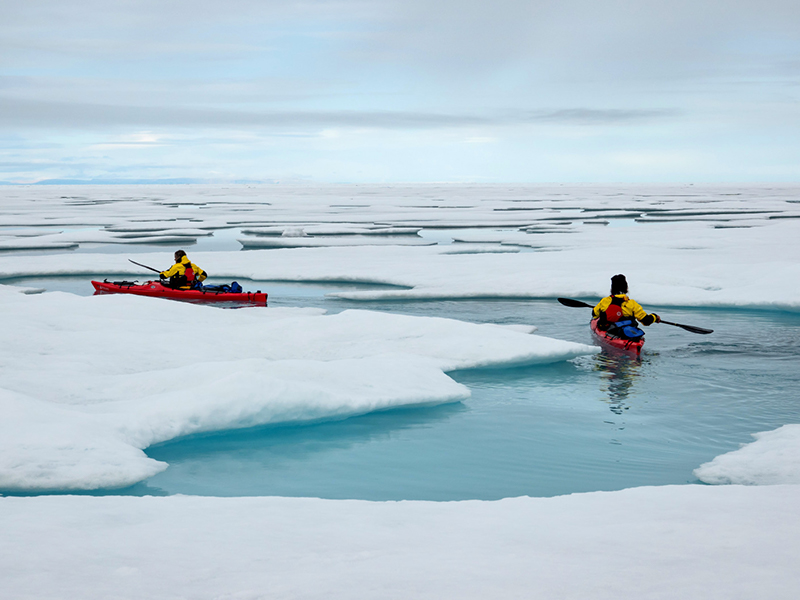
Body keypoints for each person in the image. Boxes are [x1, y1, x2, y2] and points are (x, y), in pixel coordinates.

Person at [593, 274, 660, 339]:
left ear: (612, 289)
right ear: (626, 288)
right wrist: (654, 316)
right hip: (626, 334)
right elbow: (646, 321)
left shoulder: (605, 301)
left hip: (609, 331)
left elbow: (594, 314)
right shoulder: (632, 304)